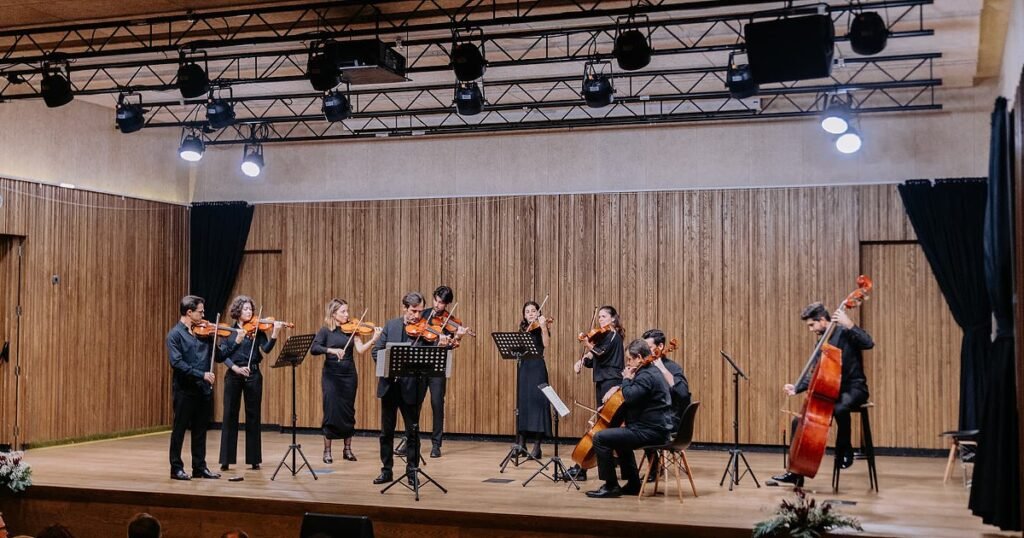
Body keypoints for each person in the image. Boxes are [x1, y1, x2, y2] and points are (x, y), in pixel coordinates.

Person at [772, 302, 875, 487]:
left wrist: (849, 324)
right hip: (831, 390)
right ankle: (795, 472)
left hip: (854, 388)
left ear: (822, 320)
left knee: (840, 407)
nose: (811, 329)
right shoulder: (823, 340)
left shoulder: (844, 331)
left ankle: (846, 449)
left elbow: (868, 343)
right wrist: (797, 387)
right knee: (799, 422)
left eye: (812, 325)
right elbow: (816, 372)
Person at [585, 339, 674, 498]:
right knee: (618, 436)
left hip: (650, 431)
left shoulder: (646, 375)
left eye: (629, 359)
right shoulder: (651, 372)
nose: (627, 363)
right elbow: (635, 398)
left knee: (600, 438)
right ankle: (633, 484)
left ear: (639, 357)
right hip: (654, 428)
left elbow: (631, 397)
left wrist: (626, 378)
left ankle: (611, 485)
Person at [370, 291, 437, 485]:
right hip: (390, 386)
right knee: (386, 432)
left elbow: (431, 357)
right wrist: (389, 365)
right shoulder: (391, 325)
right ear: (405, 308)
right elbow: (376, 351)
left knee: (412, 432)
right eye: (414, 311)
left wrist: (442, 344)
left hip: (412, 387)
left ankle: (412, 472)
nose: (417, 316)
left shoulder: (426, 331)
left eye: (420, 311)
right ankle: (386, 471)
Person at [218, 295, 288, 472]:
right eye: (245, 309)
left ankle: (254, 459)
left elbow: (265, 350)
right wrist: (234, 368)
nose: (249, 312)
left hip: (254, 374)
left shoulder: (258, 330)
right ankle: (226, 459)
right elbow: (222, 355)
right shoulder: (229, 331)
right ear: (237, 311)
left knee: (253, 416)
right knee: (229, 416)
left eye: (250, 309)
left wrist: (275, 333)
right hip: (234, 374)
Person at [310, 298, 382, 464]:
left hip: (349, 375)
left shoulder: (353, 330)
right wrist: (332, 350)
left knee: (348, 411)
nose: (347, 314)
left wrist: (374, 339)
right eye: (343, 311)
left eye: (347, 311)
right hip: (331, 376)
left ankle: (347, 449)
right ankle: (327, 451)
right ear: (334, 314)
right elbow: (314, 348)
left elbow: (360, 350)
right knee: (330, 411)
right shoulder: (325, 331)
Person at [167, 295, 222, 481]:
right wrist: (202, 375)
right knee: (180, 430)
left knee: (200, 431)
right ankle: (176, 468)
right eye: (201, 312)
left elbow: (220, 356)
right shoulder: (175, 335)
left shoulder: (204, 333)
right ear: (189, 312)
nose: (204, 315)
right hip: (185, 390)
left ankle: (200, 467)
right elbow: (177, 363)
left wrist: (235, 340)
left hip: (203, 390)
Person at [568, 305, 625, 481]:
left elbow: (600, 354)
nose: (600, 320)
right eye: (599, 317)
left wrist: (587, 345)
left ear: (613, 319)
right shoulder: (603, 338)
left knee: (604, 425)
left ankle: (582, 469)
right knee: (608, 424)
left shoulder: (613, 336)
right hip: (602, 381)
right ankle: (619, 465)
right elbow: (594, 359)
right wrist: (581, 361)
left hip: (611, 382)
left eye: (604, 316)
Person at [418, 285, 471, 458]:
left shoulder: (450, 321)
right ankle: (410, 439)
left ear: (447, 304)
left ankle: (436, 444)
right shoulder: (422, 314)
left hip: (437, 367)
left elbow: (453, 345)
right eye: (436, 300)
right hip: (419, 364)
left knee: (437, 404)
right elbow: (413, 333)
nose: (437, 305)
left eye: (441, 303)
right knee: (413, 404)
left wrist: (458, 337)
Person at [641, 329, 691, 481]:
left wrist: (662, 369)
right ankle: (629, 472)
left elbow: (683, 394)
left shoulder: (673, 368)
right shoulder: (645, 367)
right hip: (655, 416)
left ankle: (654, 466)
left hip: (671, 420)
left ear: (661, 346)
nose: (645, 353)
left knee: (639, 425)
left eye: (648, 348)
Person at [517, 300, 552, 458]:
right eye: (527, 311)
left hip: (537, 367)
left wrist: (544, 327)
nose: (530, 313)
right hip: (524, 367)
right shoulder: (523, 329)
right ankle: (521, 443)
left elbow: (546, 344)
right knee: (523, 404)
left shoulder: (540, 328)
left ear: (538, 312)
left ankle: (537, 447)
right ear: (524, 315)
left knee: (538, 405)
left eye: (533, 311)